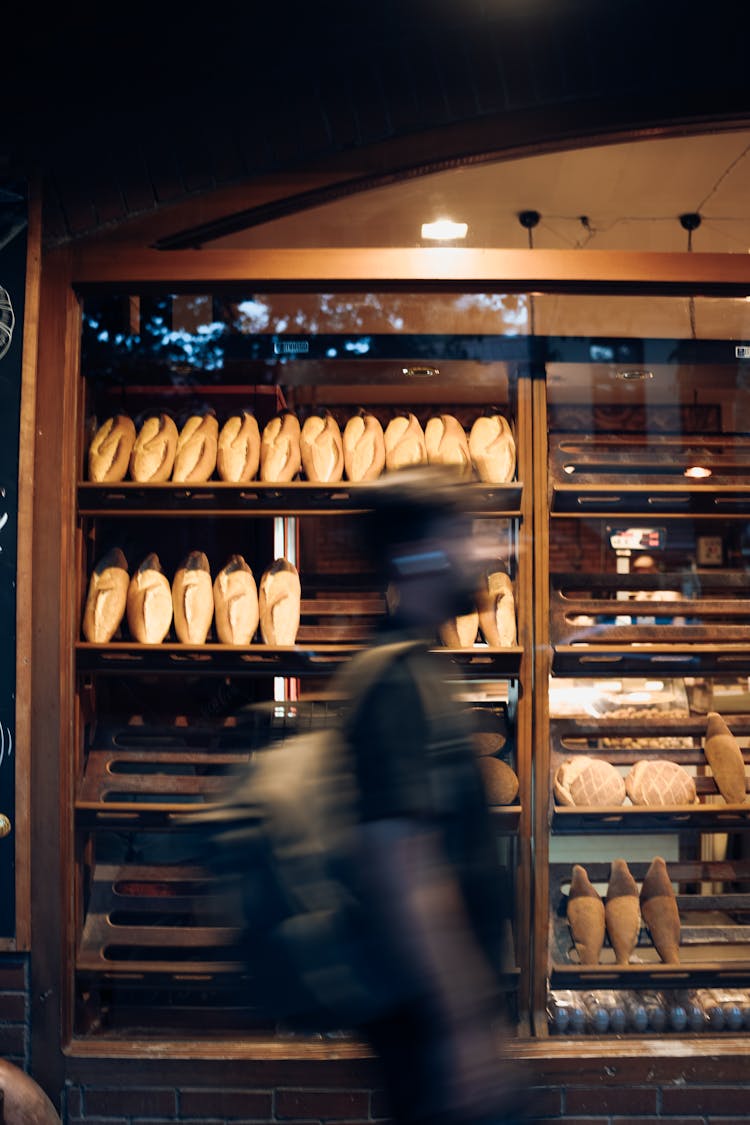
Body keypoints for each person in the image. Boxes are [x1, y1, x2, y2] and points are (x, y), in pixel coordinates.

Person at [335, 466, 527, 1125]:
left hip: (432, 1022)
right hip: (431, 1028)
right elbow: (407, 871)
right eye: (463, 533)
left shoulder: (415, 665)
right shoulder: (398, 682)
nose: (480, 551)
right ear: (420, 554)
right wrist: (466, 1025)